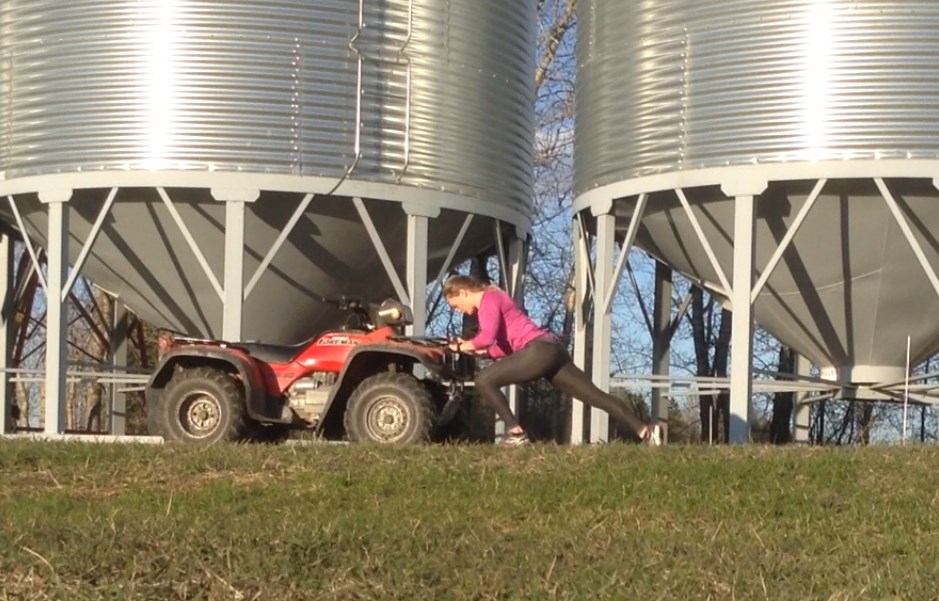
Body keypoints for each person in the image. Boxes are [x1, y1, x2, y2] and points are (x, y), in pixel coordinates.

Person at [443, 274, 662, 446]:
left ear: (462, 292)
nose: (458, 310)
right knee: (596, 396)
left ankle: (516, 433)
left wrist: (460, 346)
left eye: (455, 305)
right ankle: (646, 431)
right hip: (552, 350)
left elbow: (486, 337)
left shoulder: (487, 299)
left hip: (539, 351)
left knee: (484, 380)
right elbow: (506, 345)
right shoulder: (496, 299)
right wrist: (481, 352)